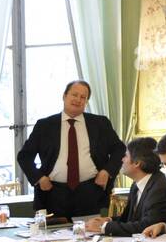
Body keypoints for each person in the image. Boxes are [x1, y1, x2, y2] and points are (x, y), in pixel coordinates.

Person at [16, 80, 125, 223]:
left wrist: (107, 171)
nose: (78, 100)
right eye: (74, 95)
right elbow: (24, 156)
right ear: (64, 96)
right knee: (53, 239)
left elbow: (119, 149)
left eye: (83, 97)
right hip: (53, 193)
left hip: (90, 191)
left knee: (89, 237)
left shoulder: (100, 123)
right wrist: (38, 178)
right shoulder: (45, 125)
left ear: (86, 101)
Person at [84, 136, 166, 236]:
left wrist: (103, 227)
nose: (122, 159)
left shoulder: (160, 187)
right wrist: (106, 220)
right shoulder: (136, 184)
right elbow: (128, 219)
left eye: (125, 156)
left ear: (137, 163)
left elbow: (147, 225)